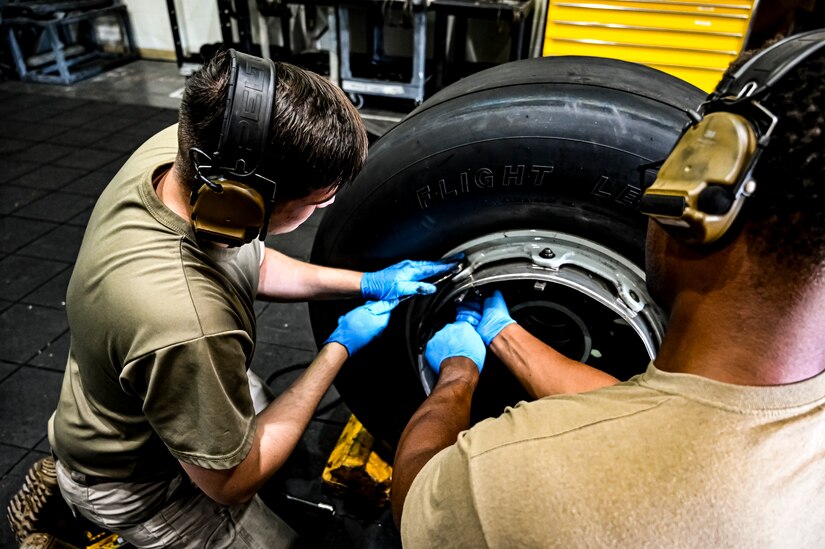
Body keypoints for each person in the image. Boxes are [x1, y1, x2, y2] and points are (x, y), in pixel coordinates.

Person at [392, 38, 825, 547]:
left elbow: (417, 498)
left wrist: (456, 378)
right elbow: (664, 420)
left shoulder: (510, 485)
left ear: (700, 191)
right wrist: (504, 333)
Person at [46, 50, 455, 548]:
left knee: (255, 411)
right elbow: (230, 482)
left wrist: (364, 282)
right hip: (140, 483)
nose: (321, 212)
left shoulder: (185, 158)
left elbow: (249, 260)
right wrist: (338, 349)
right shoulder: (188, 323)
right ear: (242, 203)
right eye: (316, 204)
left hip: (125, 388)